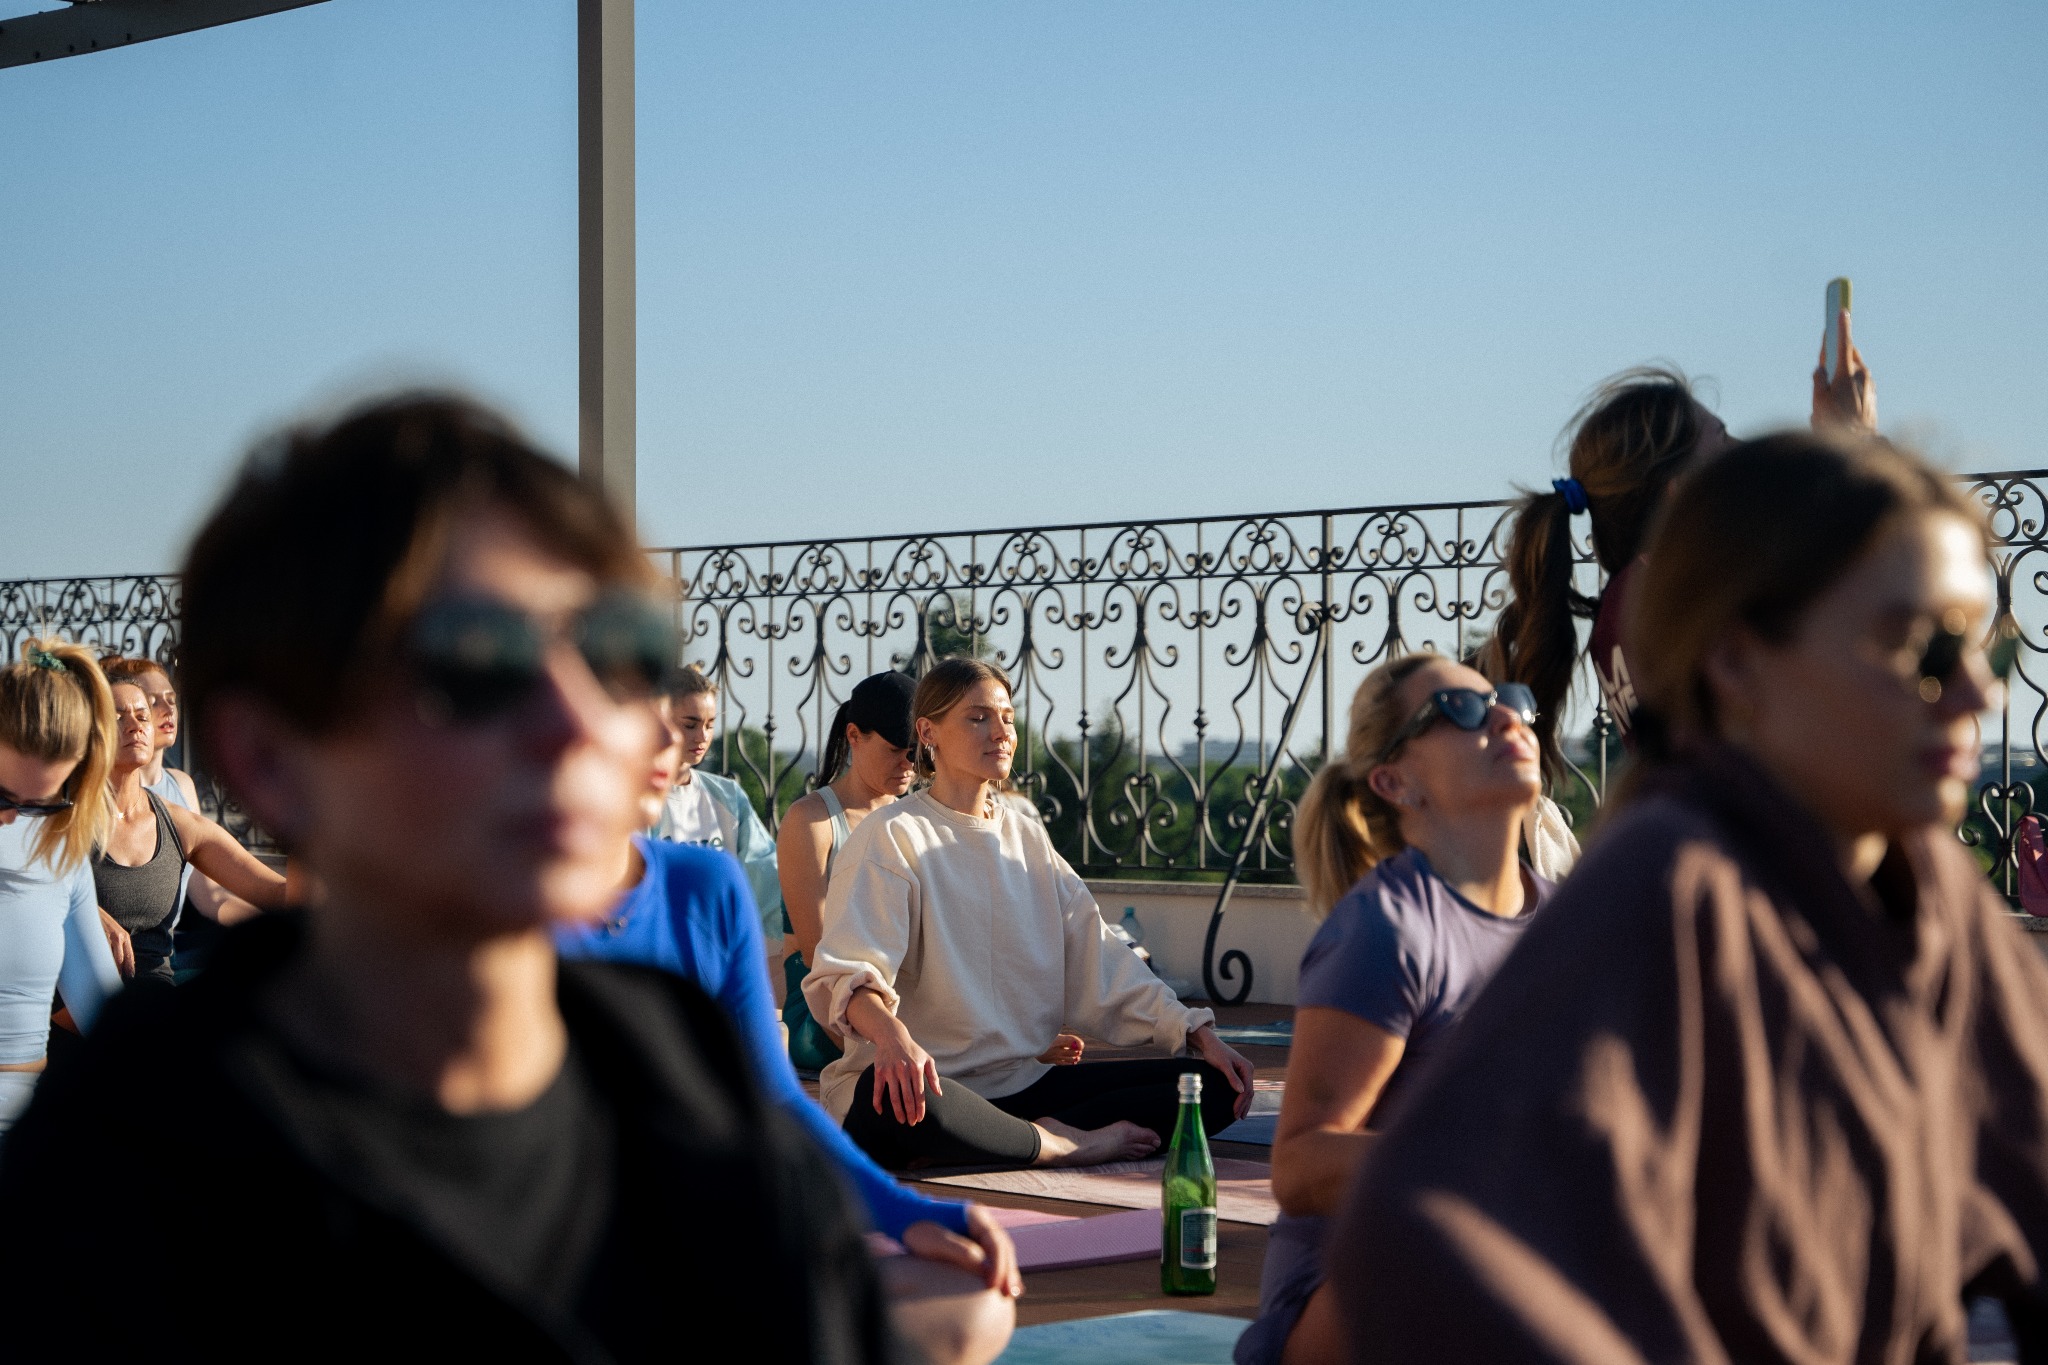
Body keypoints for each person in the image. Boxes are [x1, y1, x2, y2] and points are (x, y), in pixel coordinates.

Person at [0, 395, 896, 1363]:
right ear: (267, 757)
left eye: (613, 653)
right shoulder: (138, 1161)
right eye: (475, 662)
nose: (576, 721)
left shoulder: (682, 1076)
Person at [1330, 432, 2048, 1361]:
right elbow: (1414, 1226)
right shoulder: (1668, 884)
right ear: (1739, 661)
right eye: (1922, 646)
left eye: (1982, 643)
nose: (1975, 691)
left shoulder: (1927, 886)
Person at [560, 691, 1019, 1365]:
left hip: (705, 1257)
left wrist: (905, 1211)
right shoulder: (487, 904)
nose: (666, 735)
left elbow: (773, 1100)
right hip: (570, 1265)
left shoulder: (703, 886)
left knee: (969, 1299)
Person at [805, 657, 1255, 1170]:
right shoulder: (892, 834)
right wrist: (893, 1038)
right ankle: (1066, 1144)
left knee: (1215, 1088)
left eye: (1008, 717)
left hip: (1023, 1084)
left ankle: (1019, 1138)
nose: (1001, 732)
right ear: (928, 731)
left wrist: (1198, 1033)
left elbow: (1098, 949)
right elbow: (847, 973)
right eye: (977, 718)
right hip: (930, 1087)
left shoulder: (1025, 835)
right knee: (899, 1106)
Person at [1234, 654, 1550, 1365]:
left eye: (1508, 699)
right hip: (1366, 1286)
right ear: (1393, 780)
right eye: (1462, 711)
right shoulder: (1386, 929)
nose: (1504, 717)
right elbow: (1299, 1163)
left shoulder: (1571, 918)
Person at [1487, 319, 1877, 772]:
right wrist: (1856, 447)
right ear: (1683, 491)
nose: (1742, 450)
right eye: (1722, 439)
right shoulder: (1681, 597)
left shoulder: (1629, 601)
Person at [0, 641, 125, 1137]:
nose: (12, 819)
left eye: (39, 804)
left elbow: (106, 1017)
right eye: (3, 795)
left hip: (35, 1130)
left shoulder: (61, 848)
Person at [93, 677, 288, 984]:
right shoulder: (63, 820)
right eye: (118, 717)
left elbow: (273, 889)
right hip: (77, 1013)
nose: (135, 725)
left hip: (155, 1002)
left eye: (142, 716)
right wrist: (84, 913)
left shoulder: (178, 823)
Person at [777, 670, 920, 1072]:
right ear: (854, 736)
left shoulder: (913, 818)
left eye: (917, 751)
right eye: (896, 749)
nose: (909, 763)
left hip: (899, 1004)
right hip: (827, 1013)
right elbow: (818, 955)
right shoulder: (811, 821)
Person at [100, 656, 261, 946]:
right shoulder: (78, 805)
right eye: (153, 701)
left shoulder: (179, 791)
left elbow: (210, 894)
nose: (168, 709)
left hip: (167, 949)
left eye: (171, 699)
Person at [653, 664, 785, 952]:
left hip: (717, 955)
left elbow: (767, 877)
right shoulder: (640, 798)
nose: (702, 737)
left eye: (710, 724)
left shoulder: (727, 796)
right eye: (690, 724)